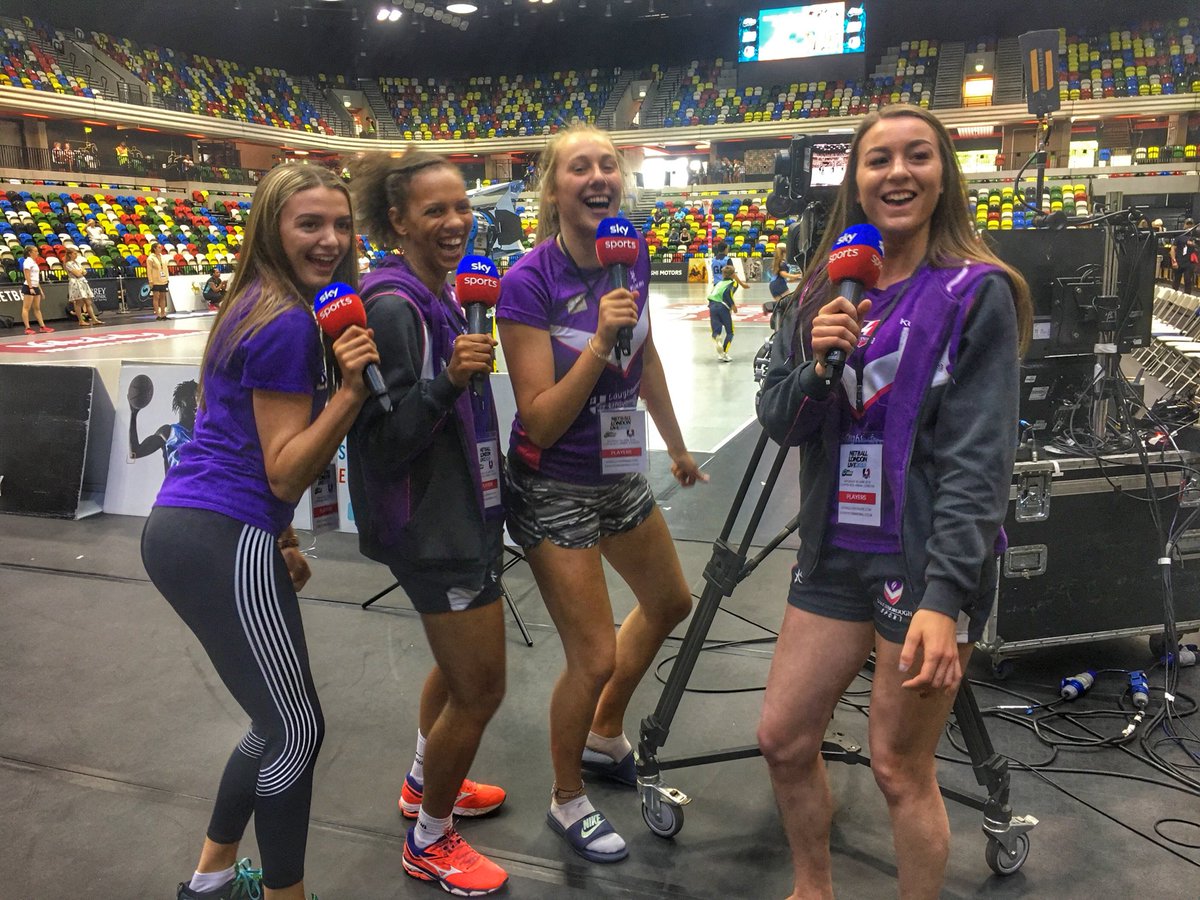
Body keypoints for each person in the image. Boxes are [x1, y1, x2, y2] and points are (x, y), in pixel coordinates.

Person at [754, 104, 1032, 900]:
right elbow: (780, 420)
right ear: (857, 181)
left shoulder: (976, 294)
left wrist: (945, 600)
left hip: (927, 561)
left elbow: (981, 463)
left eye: (918, 156)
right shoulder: (822, 290)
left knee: (898, 767)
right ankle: (814, 887)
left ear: (945, 175)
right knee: (781, 737)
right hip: (835, 552)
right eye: (879, 160)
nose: (898, 173)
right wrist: (814, 365)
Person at [141, 164, 379, 900]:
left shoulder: (256, 303)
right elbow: (282, 472)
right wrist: (349, 393)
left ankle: (209, 882)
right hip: (224, 533)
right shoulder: (284, 323)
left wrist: (283, 539)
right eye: (310, 224)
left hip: (199, 527)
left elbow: (238, 436)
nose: (331, 240)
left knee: (273, 721)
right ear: (272, 228)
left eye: (341, 225)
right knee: (296, 731)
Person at [496, 123, 705, 865]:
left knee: (671, 603)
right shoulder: (527, 282)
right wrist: (594, 341)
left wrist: (675, 445)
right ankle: (565, 798)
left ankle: (603, 731)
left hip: (618, 472)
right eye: (578, 167)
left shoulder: (633, 253)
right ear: (552, 190)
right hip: (551, 485)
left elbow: (641, 352)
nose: (597, 177)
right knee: (588, 656)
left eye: (607, 165)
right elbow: (542, 420)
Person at [346, 149, 510, 897]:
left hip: (457, 515)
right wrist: (451, 381)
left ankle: (423, 784)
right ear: (397, 221)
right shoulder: (393, 304)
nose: (455, 223)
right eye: (435, 211)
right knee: (480, 690)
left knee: (454, 673)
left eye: (461, 207)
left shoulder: (438, 293)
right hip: (433, 530)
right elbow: (384, 442)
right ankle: (431, 840)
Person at [129, 378, 198, 472]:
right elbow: (135, 452)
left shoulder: (205, 434)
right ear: (181, 401)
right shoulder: (167, 433)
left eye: (199, 399)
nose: (196, 403)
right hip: (176, 486)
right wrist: (134, 413)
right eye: (192, 398)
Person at [707, 263, 744, 362]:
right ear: (733, 275)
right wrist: (733, 305)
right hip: (723, 307)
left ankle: (717, 338)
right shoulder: (733, 283)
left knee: (716, 331)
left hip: (712, 306)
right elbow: (728, 293)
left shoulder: (718, 283)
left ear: (723, 275)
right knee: (730, 332)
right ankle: (724, 353)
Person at [63, 247, 103, 325]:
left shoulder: (77, 262)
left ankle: (94, 319)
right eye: (74, 253)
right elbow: (78, 274)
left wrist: (80, 271)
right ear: (70, 255)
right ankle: (81, 321)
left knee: (88, 302)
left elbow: (84, 272)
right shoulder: (68, 264)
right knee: (79, 302)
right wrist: (81, 271)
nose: (76, 255)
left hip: (82, 281)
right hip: (76, 283)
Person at [20, 246, 52, 335]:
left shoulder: (33, 262)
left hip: (36, 286)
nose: (37, 253)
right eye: (35, 251)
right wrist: (30, 288)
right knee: (26, 308)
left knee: (37, 308)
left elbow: (35, 278)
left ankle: (42, 327)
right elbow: (27, 275)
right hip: (29, 287)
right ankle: (27, 328)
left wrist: (40, 290)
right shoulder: (27, 262)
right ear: (30, 253)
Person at [1170, 218, 1197, 295]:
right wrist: (1174, 261)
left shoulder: (1195, 238)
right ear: (1184, 225)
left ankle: (1187, 299)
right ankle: (1172, 299)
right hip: (1179, 262)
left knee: (1188, 281)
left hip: (1189, 263)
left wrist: (1194, 244)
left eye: (1190, 224)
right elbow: (1172, 249)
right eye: (1187, 224)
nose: (1189, 226)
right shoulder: (1179, 237)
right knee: (1176, 281)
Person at [147, 241, 171, 320]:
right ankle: (157, 314)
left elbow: (165, 268)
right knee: (156, 297)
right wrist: (150, 281)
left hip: (163, 279)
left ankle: (163, 313)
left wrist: (167, 278)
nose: (161, 249)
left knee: (163, 297)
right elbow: (149, 270)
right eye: (159, 247)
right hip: (155, 280)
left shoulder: (162, 257)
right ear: (154, 249)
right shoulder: (150, 258)